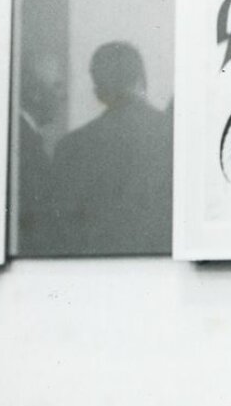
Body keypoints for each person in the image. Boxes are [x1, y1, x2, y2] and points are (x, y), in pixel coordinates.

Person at [47, 41, 172, 256]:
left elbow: (61, 231)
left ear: (98, 90)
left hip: (94, 266)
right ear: (142, 79)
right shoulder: (175, 134)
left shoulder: (71, 146)